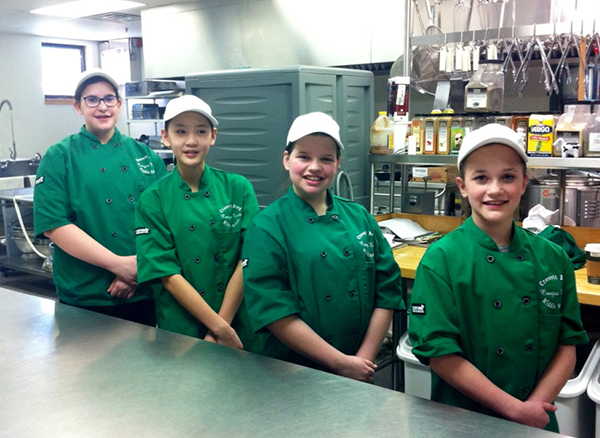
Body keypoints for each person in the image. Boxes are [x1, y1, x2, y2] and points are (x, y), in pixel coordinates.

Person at [408, 123, 589, 432]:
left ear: (523, 183)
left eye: (507, 177)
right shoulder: (442, 259)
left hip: (536, 418)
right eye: (481, 178)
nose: (495, 189)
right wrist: (514, 410)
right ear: (462, 186)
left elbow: (567, 344)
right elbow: (440, 353)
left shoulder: (553, 258)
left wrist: (533, 408)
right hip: (464, 419)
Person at [242, 112, 404, 382]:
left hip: (358, 366)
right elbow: (274, 310)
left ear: (338, 163)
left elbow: (386, 288)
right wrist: (342, 364)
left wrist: (362, 360)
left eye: (326, 159)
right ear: (286, 159)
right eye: (304, 156)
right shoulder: (267, 226)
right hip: (293, 372)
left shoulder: (359, 217)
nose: (314, 167)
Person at [34, 68, 168, 326]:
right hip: (86, 293)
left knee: (146, 366)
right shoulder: (60, 156)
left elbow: (164, 221)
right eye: (92, 100)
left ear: (118, 104)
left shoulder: (145, 155)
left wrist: (137, 271)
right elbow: (54, 224)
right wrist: (119, 266)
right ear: (78, 106)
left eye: (109, 99)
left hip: (143, 289)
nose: (102, 107)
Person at [135, 94, 261, 351]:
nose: (191, 141)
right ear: (165, 136)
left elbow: (247, 260)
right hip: (182, 330)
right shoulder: (153, 199)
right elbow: (166, 274)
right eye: (180, 131)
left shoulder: (238, 188)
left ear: (213, 136)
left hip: (237, 324)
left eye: (200, 131)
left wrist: (222, 329)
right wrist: (218, 328)